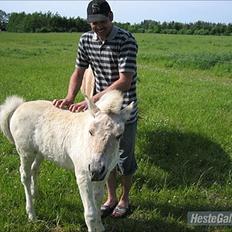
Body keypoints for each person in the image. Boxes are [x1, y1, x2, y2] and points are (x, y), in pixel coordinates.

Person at [53, 0, 138, 218]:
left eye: (102, 21)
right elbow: (79, 72)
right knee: (102, 154)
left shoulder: (126, 39)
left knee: (124, 158)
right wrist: (70, 97)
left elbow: (125, 81)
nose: (98, 26)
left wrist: (91, 98)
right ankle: (111, 198)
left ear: (111, 16)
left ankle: (125, 199)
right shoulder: (85, 40)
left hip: (122, 110)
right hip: (99, 112)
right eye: (93, 23)